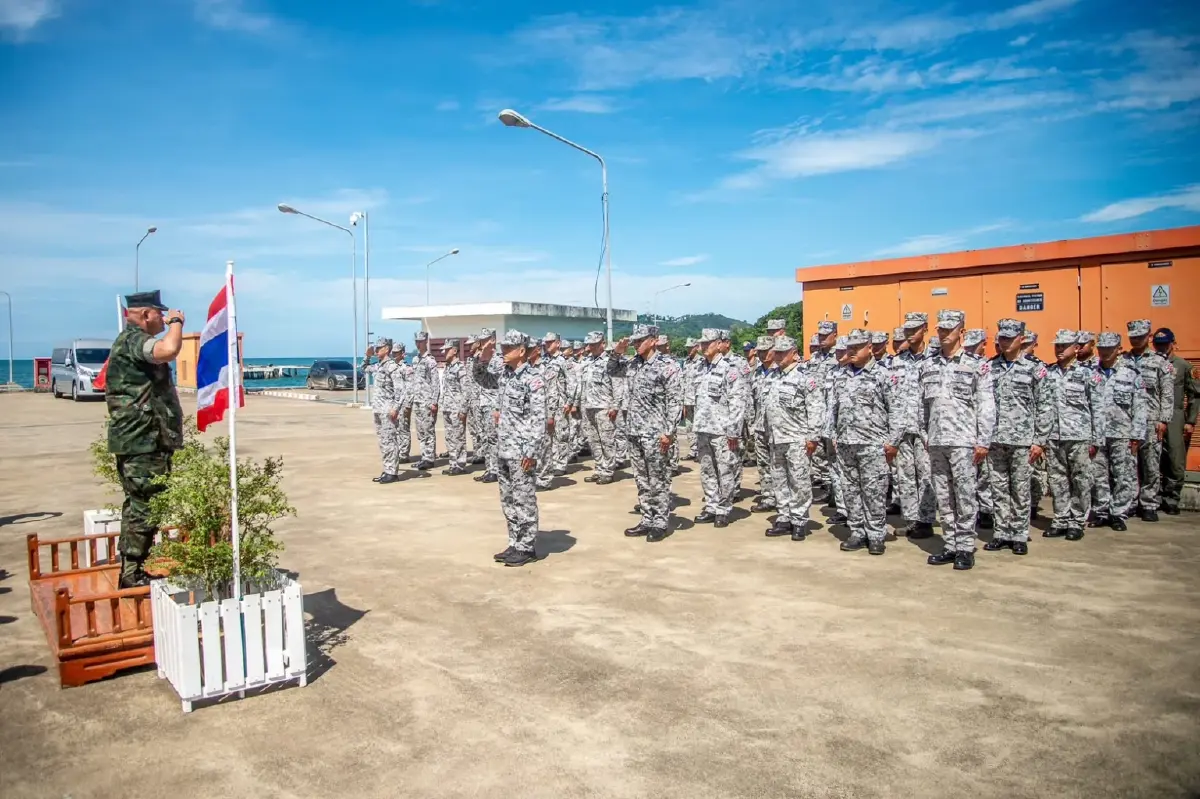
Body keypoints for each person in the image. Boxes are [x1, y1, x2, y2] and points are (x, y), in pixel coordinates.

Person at [105, 290, 186, 588]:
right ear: (146, 315)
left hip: (144, 440)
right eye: (161, 315)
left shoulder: (129, 341)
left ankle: (131, 567)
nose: (164, 320)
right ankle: (131, 573)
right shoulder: (133, 340)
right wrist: (178, 322)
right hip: (142, 441)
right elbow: (168, 350)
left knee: (140, 502)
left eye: (168, 316)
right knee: (145, 505)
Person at [919, 310, 996, 571]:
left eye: (949, 330)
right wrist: (925, 434)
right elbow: (922, 406)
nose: (943, 334)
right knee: (943, 496)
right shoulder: (928, 366)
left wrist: (983, 441)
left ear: (961, 332)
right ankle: (950, 544)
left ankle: (965, 547)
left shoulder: (976, 366)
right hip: (937, 440)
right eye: (940, 329)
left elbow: (986, 406)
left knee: (964, 496)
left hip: (964, 441)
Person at [826, 329, 901, 555]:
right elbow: (833, 409)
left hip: (873, 444)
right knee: (850, 490)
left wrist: (893, 442)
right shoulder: (840, 376)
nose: (852, 352)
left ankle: (876, 534)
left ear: (869, 347)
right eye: (849, 348)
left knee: (875, 491)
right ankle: (857, 531)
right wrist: (832, 435)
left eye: (856, 348)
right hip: (847, 444)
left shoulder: (883, 375)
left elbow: (897, 410)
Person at [982, 319, 1049, 556]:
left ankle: (1019, 534)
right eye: (1002, 338)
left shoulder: (1034, 368)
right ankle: (1001, 533)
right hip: (995, 439)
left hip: (1022, 440)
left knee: (1020, 488)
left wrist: (1040, 440)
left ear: (1021, 339)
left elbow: (1044, 405)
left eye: (1010, 338)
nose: (1005, 342)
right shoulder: (989, 367)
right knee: (998, 488)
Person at [1040, 330, 1105, 541]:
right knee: (1057, 480)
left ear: (1076, 348)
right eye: (1057, 346)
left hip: (1079, 436)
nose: (1059, 349)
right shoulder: (1047, 373)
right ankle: (1060, 519)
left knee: (1081, 480)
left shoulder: (1088, 374)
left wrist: (1097, 439)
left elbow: (1098, 407)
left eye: (1064, 345)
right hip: (1054, 435)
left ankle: (1077, 521)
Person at [620, 324, 683, 542]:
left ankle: (660, 522)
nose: (636, 344)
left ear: (654, 340)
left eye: (640, 340)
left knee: (659, 479)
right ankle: (647, 518)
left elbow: (675, 402)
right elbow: (611, 369)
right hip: (635, 432)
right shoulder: (633, 365)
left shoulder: (668, 366)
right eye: (634, 341)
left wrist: (669, 432)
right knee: (642, 479)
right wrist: (617, 351)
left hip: (656, 434)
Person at [491, 330, 546, 567]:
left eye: (508, 348)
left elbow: (538, 419)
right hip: (504, 447)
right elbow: (482, 374)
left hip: (522, 450)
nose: (503, 352)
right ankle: (514, 541)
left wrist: (531, 452)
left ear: (521, 351)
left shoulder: (533, 380)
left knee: (524, 499)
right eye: (502, 348)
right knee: (508, 499)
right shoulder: (505, 376)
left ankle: (527, 547)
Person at [762, 336, 823, 540]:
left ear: (794, 353)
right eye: (776, 352)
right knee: (779, 480)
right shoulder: (772, 376)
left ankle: (799, 520)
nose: (778, 356)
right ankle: (784, 517)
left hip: (797, 438)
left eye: (782, 352)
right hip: (776, 438)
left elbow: (816, 408)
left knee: (799, 481)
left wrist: (813, 437)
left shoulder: (806, 377)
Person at [1091, 332, 1146, 531]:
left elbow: (1140, 407)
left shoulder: (1131, 373)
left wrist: (1137, 435)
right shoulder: (1090, 372)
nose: (1105, 352)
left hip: (1122, 432)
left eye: (1109, 349)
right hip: (1096, 433)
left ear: (1118, 349)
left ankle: (1118, 513)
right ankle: (1102, 510)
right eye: (1101, 348)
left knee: (1124, 474)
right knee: (1098, 474)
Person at [692, 328, 745, 528]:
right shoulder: (699, 368)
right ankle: (711, 505)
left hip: (722, 430)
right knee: (707, 471)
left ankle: (724, 509)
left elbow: (738, 402)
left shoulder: (729, 369)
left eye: (708, 344)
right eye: (702, 344)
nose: (704, 347)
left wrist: (733, 430)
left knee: (725, 471)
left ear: (718, 344)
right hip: (703, 428)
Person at [1122, 319, 1174, 522]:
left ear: (1148, 337)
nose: (1136, 340)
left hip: (1151, 420)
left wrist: (1164, 420)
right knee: (1128, 464)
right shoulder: (1122, 361)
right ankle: (1131, 502)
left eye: (1140, 336)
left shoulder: (1160, 362)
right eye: (1133, 337)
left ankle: (1149, 502)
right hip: (1127, 420)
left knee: (1151, 463)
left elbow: (1167, 394)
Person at [895, 312, 937, 539]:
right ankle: (912, 520)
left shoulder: (935, 359)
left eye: (914, 329)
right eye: (907, 330)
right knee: (905, 477)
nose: (909, 334)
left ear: (925, 329)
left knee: (926, 475)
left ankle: (926, 520)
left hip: (926, 429)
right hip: (902, 428)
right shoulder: (897, 361)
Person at [1153, 327, 1197, 516]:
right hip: (1152, 414)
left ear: (1173, 343)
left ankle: (1171, 498)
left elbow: (1195, 395)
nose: (1162, 348)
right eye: (1158, 345)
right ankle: (1154, 497)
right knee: (1152, 457)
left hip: (1175, 415)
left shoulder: (1183, 366)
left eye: (1165, 344)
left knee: (1174, 456)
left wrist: (1191, 420)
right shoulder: (1150, 364)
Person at [573, 331, 621, 484]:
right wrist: (578, 405)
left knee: (606, 440)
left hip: (603, 407)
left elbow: (617, 385)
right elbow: (581, 386)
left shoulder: (610, 362)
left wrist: (615, 406)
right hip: (588, 406)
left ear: (603, 344)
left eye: (594, 344)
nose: (591, 347)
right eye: (589, 344)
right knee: (594, 441)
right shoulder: (586, 362)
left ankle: (608, 471)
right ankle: (599, 468)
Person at [963, 328, 994, 529]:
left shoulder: (984, 367)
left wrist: (985, 437)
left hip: (986, 431)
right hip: (963, 433)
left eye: (976, 346)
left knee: (986, 475)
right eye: (969, 347)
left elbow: (987, 405)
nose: (973, 350)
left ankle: (987, 511)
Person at [364, 337, 403, 484]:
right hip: (378, 409)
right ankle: (388, 469)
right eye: (376, 349)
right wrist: (367, 356)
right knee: (383, 441)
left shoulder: (392, 366)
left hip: (388, 409)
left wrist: (396, 407)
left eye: (379, 348)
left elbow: (401, 389)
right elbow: (363, 369)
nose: (376, 351)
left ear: (387, 349)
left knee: (390, 440)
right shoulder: (379, 365)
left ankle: (392, 472)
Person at [536, 332, 571, 489]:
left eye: (550, 342)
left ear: (558, 343)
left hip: (560, 404)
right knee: (547, 438)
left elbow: (572, 383)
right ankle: (549, 465)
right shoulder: (543, 362)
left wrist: (570, 402)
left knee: (560, 435)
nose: (547, 345)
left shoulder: (563, 361)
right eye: (545, 343)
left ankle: (560, 463)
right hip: (546, 404)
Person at [749, 335, 777, 513]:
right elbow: (751, 401)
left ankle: (782, 499)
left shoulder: (781, 371)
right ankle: (768, 497)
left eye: (766, 351)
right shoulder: (756, 373)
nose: (763, 354)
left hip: (779, 429)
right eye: (760, 351)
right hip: (760, 427)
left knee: (779, 465)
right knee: (764, 464)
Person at [472, 329, 501, 484]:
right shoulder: (480, 358)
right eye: (481, 340)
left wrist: (498, 408)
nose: (483, 343)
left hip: (493, 404)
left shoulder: (499, 360)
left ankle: (495, 470)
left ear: (493, 340)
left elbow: (500, 386)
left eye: (487, 340)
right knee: (487, 439)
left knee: (493, 439)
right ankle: (490, 468)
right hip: (484, 404)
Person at [410, 332, 441, 470]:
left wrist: (434, 401)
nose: (418, 344)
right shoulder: (415, 360)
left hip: (427, 401)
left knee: (428, 430)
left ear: (426, 341)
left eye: (421, 341)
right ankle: (424, 456)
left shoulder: (430, 360)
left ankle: (429, 458)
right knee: (420, 430)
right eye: (416, 341)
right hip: (417, 400)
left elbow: (435, 383)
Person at [439, 339, 469, 476]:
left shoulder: (460, 368)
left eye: (447, 349)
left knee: (458, 437)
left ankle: (460, 464)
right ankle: (453, 463)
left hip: (456, 408)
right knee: (450, 437)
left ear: (455, 351)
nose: (444, 352)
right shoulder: (448, 367)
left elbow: (465, 390)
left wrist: (463, 409)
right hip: (447, 407)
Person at [392, 343, 414, 463]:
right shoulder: (392, 367)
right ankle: (397, 451)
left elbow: (410, 388)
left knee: (403, 428)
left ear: (402, 354)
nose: (394, 355)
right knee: (394, 429)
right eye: (393, 353)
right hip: (394, 403)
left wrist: (408, 405)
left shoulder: (407, 368)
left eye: (397, 353)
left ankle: (404, 454)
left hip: (404, 403)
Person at [682, 338, 702, 461]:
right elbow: (683, 382)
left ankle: (701, 450)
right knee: (689, 427)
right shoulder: (686, 362)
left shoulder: (701, 362)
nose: (689, 350)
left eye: (691, 347)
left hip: (698, 400)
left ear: (696, 347)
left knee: (699, 426)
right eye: (687, 347)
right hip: (687, 400)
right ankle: (693, 449)